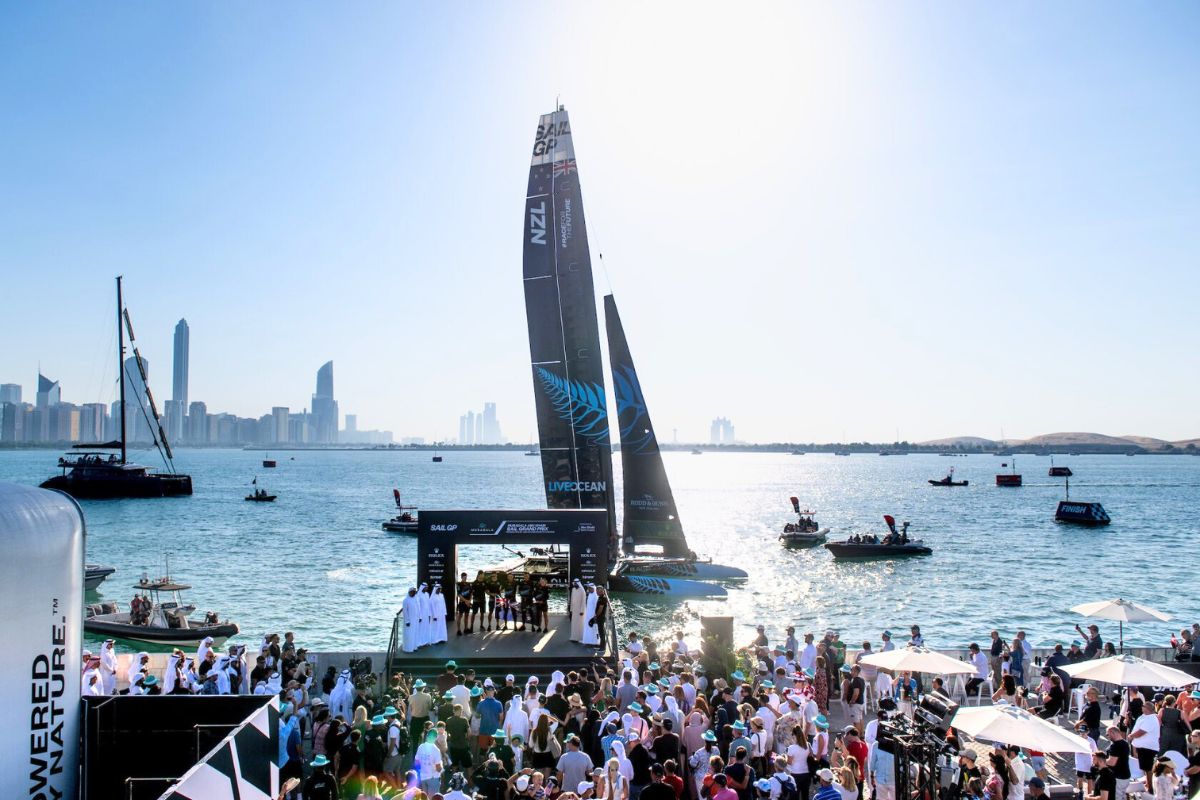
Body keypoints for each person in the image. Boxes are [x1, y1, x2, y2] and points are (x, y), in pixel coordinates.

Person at [1130, 698, 1162, 775]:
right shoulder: (1144, 716)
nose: (1141, 707)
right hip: (1142, 747)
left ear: (1147, 708)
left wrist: (1131, 735)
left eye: (1143, 706)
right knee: (1145, 767)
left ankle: (1150, 786)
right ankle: (1147, 783)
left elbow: (1141, 732)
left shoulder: (1151, 719)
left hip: (1148, 748)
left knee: (1148, 768)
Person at [1105, 726, 1132, 800]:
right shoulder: (1125, 743)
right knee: (1123, 796)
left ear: (1112, 732)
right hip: (1125, 775)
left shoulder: (1115, 745)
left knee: (1117, 797)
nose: (1108, 737)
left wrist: (1100, 761)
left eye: (1108, 734)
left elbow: (1112, 762)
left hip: (1118, 777)